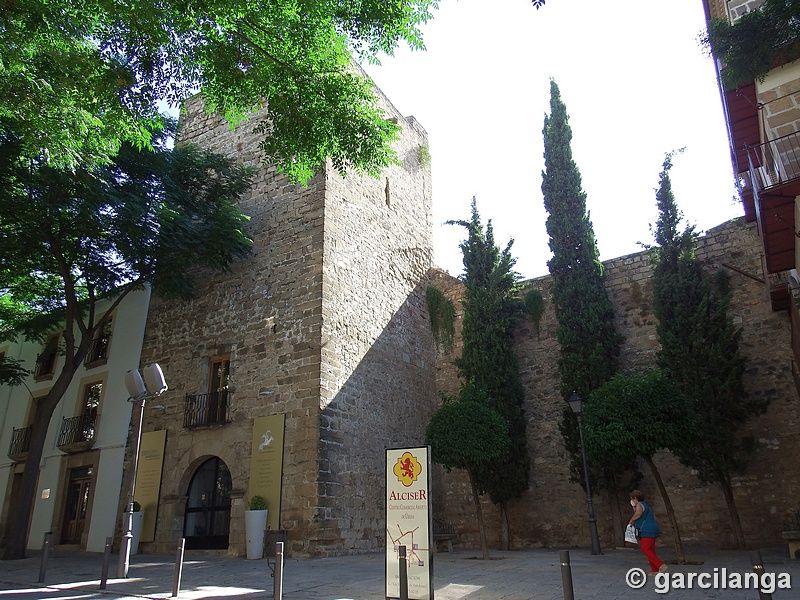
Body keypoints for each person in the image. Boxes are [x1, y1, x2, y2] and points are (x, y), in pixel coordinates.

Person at [629, 490, 667, 575]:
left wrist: (631, 520)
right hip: (652, 529)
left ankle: (660, 565)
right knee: (650, 550)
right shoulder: (644, 505)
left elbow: (638, 514)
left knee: (645, 548)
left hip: (647, 530)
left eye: (632, 499)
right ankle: (655, 570)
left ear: (635, 498)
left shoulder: (639, 505)